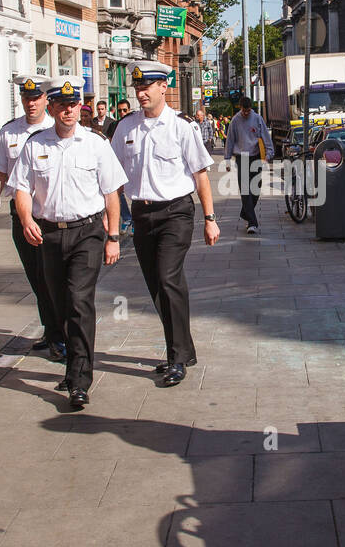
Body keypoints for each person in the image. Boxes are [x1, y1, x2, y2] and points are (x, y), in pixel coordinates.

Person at [10, 79, 127, 409]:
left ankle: (80, 378)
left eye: (73, 104)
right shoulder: (35, 145)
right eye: (61, 105)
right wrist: (26, 219)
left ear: (80, 107)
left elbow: (111, 192)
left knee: (78, 301)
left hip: (87, 232)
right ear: (52, 108)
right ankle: (72, 363)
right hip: (48, 233)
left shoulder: (96, 144)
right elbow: (21, 187)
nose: (67, 110)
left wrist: (113, 236)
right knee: (58, 304)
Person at [111, 62, 220, 387]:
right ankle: (184, 349)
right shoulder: (126, 128)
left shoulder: (181, 126)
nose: (141, 93)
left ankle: (176, 359)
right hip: (142, 214)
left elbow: (201, 175)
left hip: (176, 213)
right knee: (156, 285)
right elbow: (111, 177)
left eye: (147, 87)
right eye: (137, 88)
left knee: (168, 277)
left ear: (163, 87)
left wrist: (210, 219)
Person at [0, 76, 65, 360]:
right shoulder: (9, 132)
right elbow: (0, 172)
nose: (31, 103)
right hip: (21, 215)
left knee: (55, 277)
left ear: (46, 100)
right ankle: (52, 330)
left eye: (36, 98)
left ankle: (61, 332)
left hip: (48, 214)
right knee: (37, 277)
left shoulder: (55, 128)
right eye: (26, 98)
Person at [223, 96, 273, 234]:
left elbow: (266, 138)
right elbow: (230, 140)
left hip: (256, 156)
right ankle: (252, 223)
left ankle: (245, 213)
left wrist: (268, 155)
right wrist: (227, 159)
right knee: (245, 190)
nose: (246, 113)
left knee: (256, 189)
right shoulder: (235, 120)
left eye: (248, 111)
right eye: (244, 111)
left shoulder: (257, 119)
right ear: (240, 108)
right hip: (242, 157)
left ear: (251, 108)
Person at [103, 99, 134, 235]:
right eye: (120, 110)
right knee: (117, 193)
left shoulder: (133, 124)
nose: (122, 113)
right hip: (116, 163)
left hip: (130, 165)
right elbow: (110, 144)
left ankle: (133, 222)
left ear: (129, 110)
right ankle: (126, 218)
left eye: (125, 110)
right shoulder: (114, 125)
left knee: (133, 193)